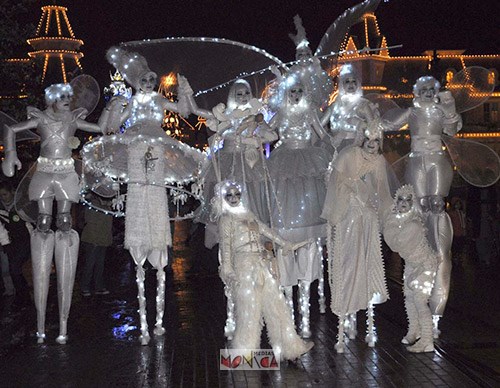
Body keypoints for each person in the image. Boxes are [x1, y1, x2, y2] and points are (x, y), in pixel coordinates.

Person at [101, 47, 205, 345]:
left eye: (151, 78)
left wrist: (185, 90)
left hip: (157, 147)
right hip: (135, 148)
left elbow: (184, 112)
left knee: (156, 194)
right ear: (136, 81)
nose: (148, 81)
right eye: (143, 78)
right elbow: (109, 128)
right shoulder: (131, 101)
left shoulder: (160, 99)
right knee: (139, 190)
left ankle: (158, 322)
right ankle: (145, 321)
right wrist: (113, 107)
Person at [2, 84, 110, 343]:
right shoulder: (40, 118)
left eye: (68, 97)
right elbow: (10, 129)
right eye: (61, 97)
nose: (66, 101)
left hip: (66, 173)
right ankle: (40, 320)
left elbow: (101, 129)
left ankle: (63, 321)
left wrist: (111, 110)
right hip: (43, 173)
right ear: (50, 99)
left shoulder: (74, 118)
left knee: (64, 222)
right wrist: (11, 155)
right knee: (42, 223)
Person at [382, 76, 461, 338]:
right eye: (423, 89)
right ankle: (419, 306)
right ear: (416, 92)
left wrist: (448, 104)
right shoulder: (412, 112)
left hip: (437, 160)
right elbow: (388, 122)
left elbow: (452, 128)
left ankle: (436, 308)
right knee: (416, 211)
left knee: (436, 211)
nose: (427, 93)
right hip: (416, 161)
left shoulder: (440, 109)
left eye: (431, 90)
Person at [213, 180, 313, 361]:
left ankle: (291, 347)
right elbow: (225, 247)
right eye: (230, 195)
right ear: (223, 198)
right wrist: (228, 270)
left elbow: (266, 230)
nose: (234, 198)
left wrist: (286, 244)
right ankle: (244, 355)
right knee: (249, 312)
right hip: (243, 266)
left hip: (260, 263)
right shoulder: (226, 220)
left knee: (277, 304)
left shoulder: (248, 214)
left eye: (237, 194)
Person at [267, 75, 330, 338]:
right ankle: (289, 317)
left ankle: (304, 314)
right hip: (284, 162)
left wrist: (337, 151)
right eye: (291, 91)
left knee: (308, 214)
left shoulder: (311, 111)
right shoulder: (281, 111)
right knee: (285, 210)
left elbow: (321, 132)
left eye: (299, 91)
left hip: (307, 160)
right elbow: (268, 130)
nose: (295, 95)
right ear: (286, 93)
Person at [321, 129, 394, 353]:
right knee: (348, 265)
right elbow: (334, 183)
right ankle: (344, 322)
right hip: (348, 216)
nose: (372, 145)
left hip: (367, 219)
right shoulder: (348, 155)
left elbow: (382, 193)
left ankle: (367, 323)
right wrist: (352, 188)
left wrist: (386, 218)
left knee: (368, 263)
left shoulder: (379, 161)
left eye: (376, 140)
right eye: (369, 139)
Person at [384, 184, 438, 353]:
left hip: (425, 265)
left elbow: (394, 244)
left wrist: (392, 222)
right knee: (408, 298)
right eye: (401, 199)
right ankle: (414, 331)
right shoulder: (401, 222)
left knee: (420, 300)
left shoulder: (413, 225)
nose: (404, 204)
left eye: (408, 200)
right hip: (411, 264)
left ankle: (427, 340)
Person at [320, 63, 379, 157]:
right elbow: (320, 124)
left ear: (358, 84)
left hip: (356, 148)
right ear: (342, 84)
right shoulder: (335, 104)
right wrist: (329, 139)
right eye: (347, 81)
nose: (351, 84)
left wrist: (360, 124)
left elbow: (374, 129)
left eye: (354, 81)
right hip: (335, 147)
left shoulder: (363, 104)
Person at [0, 182, 32, 307]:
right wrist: (6, 244)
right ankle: (23, 296)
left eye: (5, 194)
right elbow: (1, 228)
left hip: (25, 241)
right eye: (1, 195)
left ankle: (21, 296)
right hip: (12, 242)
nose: (3, 197)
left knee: (14, 268)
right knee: (15, 270)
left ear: (12, 192)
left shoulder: (21, 205)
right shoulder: (2, 208)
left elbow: (29, 223)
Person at [79, 196, 113, 296]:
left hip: (103, 239)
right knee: (90, 264)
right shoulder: (93, 205)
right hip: (93, 239)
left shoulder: (105, 206)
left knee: (99, 264)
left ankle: (99, 286)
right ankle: (85, 286)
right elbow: (91, 222)